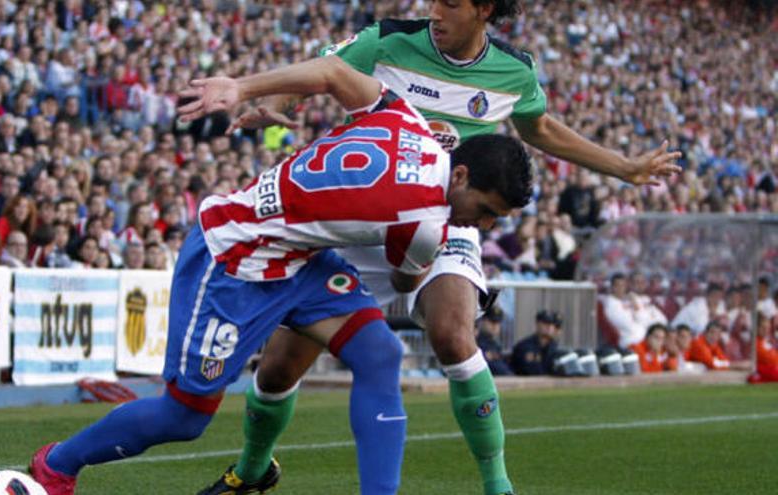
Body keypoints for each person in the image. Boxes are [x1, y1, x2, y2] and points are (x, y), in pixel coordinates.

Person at [198, 1, 680, 494]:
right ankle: (254, 471)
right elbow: (329, 71)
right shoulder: (386, 39)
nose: (435, 12)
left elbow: (542, 129)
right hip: (364, 225)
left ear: (484, 9)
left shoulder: (513, 71)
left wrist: (623, 167)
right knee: (279, 367)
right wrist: (281, 102)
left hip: (448, 220)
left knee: (453, 333)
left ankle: (498, 485)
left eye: (450, 3)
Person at [29, 55, 534, 495]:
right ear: (461, 175)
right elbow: (404, 283)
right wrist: (420, 256)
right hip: (233, 257)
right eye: (485, 211)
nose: (484, 226)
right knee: (182, 418)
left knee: (379, 352)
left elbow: (334, 72)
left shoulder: (408, 121)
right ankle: (55, 467)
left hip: (297, 260)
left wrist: (242, 87)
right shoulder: (425, 223)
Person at [510, 310, 559, 375]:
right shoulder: (524, 346)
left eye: (552, 324)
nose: (549, 327)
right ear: (537, 324)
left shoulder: (554, 347)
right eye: (545, 323)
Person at [477, 305, 513, 376]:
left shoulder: (496, 345)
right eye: (492, 322)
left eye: (498, 323)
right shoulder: (476, 343)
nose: (495, 326)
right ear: (483, 321)